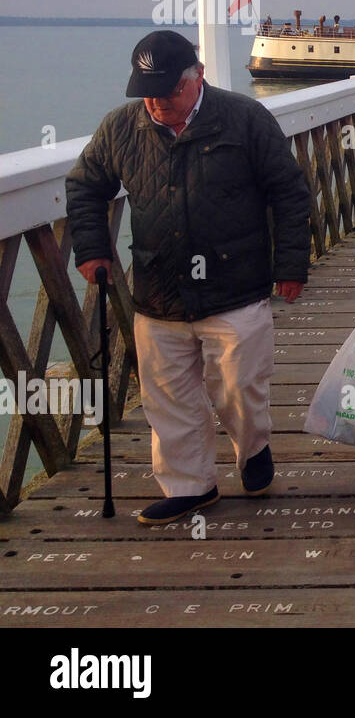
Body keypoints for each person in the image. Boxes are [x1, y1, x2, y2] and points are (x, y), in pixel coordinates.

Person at [65, 31, 310, 525]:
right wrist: (91, 249)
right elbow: (85, 186)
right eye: (147, 93)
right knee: (167, 396)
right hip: (159, 291)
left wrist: (290, 266)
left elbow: (288, 191)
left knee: (239, 387)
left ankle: (253, 447)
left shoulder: (245, 118)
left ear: (197, 76)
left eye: (168, 91)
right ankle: (189, 486)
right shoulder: (121, 127)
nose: (157, 103)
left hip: (235, 285)